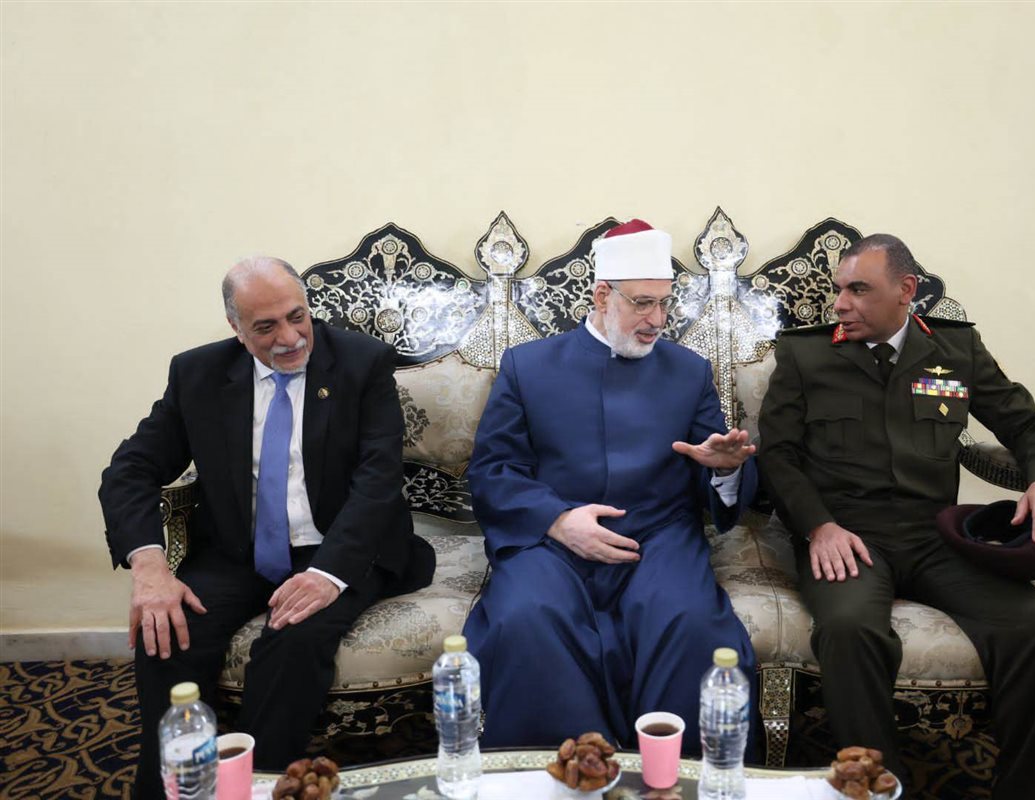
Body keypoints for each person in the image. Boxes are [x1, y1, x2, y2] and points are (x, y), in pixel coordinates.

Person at [99, 257, 435, 799]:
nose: (290, 337)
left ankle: (254, 786)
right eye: (266, 326)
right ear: (235, 327)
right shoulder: (198, 374)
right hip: (238, 551)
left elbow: (378, 481)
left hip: (341, 546)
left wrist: (327, 575)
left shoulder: (362, 362)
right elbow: (130, 469)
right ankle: (171, 790)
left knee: (295, 642)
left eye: (297, 316)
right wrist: (149, 565)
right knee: (167, 632)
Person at [758, 234, 1035, 799]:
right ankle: (880, 789)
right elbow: (778, 456)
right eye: (839, 289)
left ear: (905, 290)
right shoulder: (806, 354)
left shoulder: (955, 349)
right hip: (848, 534)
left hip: (935, 535)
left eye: (859, 290)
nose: (840, 304)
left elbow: (1032, 427)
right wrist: (818, 527)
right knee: (850, 630)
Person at [463, 219, 758, 754]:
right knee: (526, 620)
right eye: (643, 304)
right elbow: (493, 469)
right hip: (551, 541)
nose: (657, 320)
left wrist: (723, 468)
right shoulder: (528, 367)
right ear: (603, 296)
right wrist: (557, 520)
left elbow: (715, 461)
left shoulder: (689, 371)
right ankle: (570, 777)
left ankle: (674, 779)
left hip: (658, 538)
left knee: (692, 624)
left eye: (665, 304)